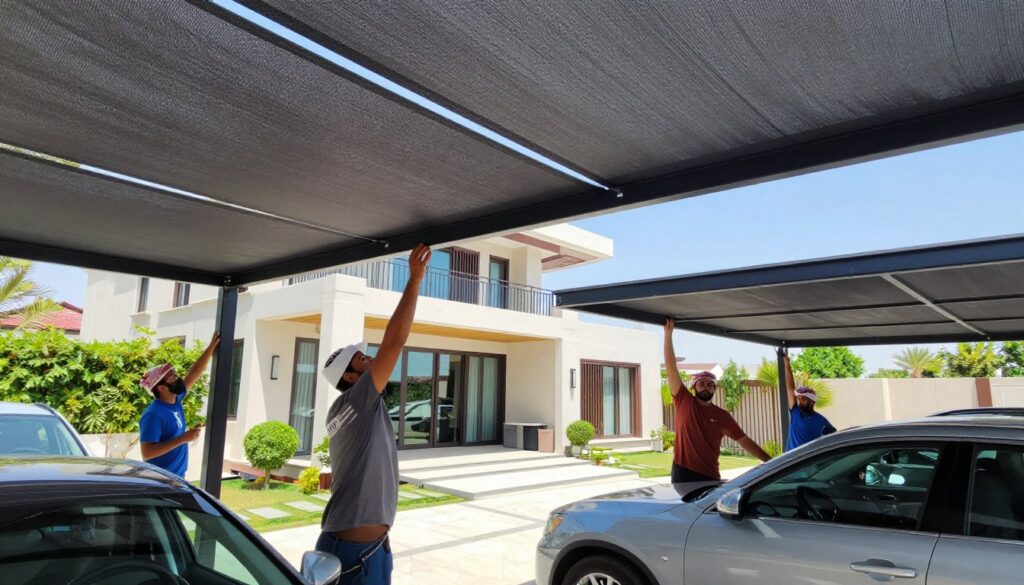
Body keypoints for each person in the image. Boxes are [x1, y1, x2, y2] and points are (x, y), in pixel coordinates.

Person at [317, 243, 432, 585]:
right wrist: (415, 279)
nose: (369, 359)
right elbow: (395, 342)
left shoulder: (350, 406)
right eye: (360, 359)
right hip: (356, 552)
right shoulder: (357, 399)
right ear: (350, 377)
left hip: (359, 545)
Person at [664, 318, 771, 483]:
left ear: (715, 389)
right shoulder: (683, 400)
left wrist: (771, 463)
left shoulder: (722, 416)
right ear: (694, 387)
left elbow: (744, 441)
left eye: (710, 384)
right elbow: (671, 367)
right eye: (701, 384)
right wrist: (668, 334)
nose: (706, 387)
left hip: (710, 475)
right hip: (682, 472)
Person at [139, 333, 221, 478]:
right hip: (161, 481)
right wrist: (183, 438)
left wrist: (211, 347)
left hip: (177, 477)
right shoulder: (154, 414)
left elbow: (194, 373)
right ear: (161, 388)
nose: (177, 378)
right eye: (172, 378)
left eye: (175, 374)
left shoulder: (175, 400)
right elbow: (147, 453)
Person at [783, 353, 836, 451]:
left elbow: (833, 439)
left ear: (812, 401)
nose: (799, 401)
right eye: (798, 398)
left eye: (803, 399)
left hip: (808, 463)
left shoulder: (821, 421)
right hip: (791, 462)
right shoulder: (795, 413)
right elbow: (790, 388)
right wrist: (787, 363)